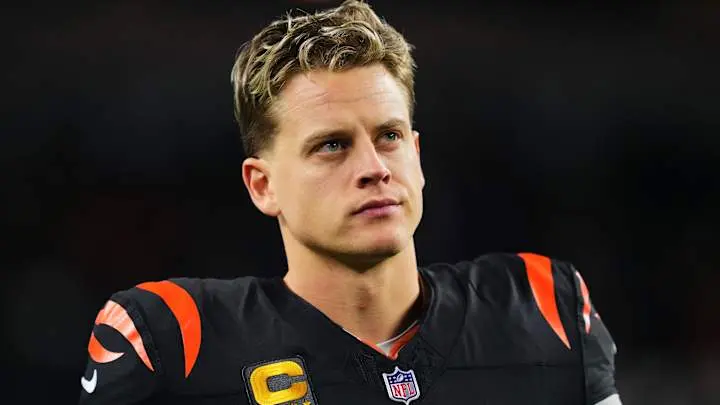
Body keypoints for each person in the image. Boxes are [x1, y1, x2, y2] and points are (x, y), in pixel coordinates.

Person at [78, 1, 621, 404]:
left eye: (389, 137)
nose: (374, 167)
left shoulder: (543, 308)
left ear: (416, 156)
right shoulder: (175, 340)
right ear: (262, 185)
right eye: (332, 145)